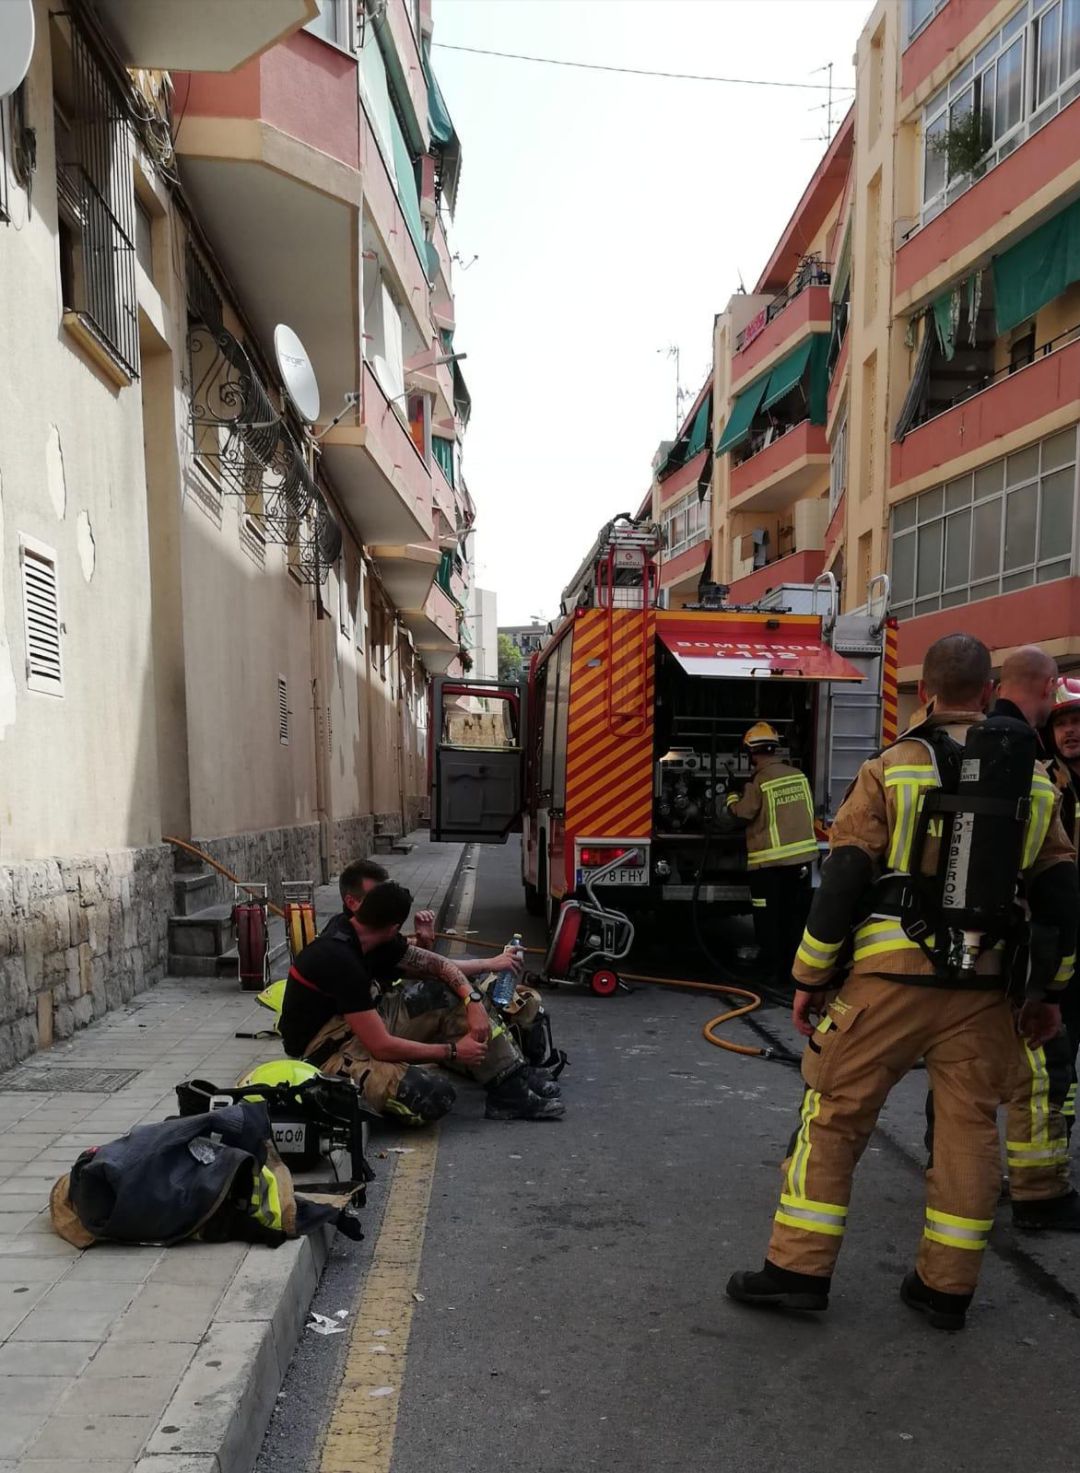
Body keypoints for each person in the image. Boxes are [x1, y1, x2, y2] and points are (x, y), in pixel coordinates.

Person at [726, 633, 1078, 1332]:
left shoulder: (893, 767)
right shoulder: (1035, 782)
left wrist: (808, 975)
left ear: (926, 695)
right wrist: (1050, 996)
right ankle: (945, 1289)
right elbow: (1064, 897)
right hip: (984, 989)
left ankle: (796, 1269)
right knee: (968, 1132)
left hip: (887, 979)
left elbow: (847, 880)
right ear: (986, 694)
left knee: (833, 1114)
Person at [280, 879, 564, 1124]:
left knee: (444, 992)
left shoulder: (361, 931)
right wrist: (452, 1052)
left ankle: (510, 1085)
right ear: (393, 927)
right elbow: (381, 1046)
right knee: (433, 1097)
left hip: (360, 1022)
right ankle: (471, 1067)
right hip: (327, 1050)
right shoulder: (340, 959)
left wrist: (473, 1000)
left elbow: (439, 967)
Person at [725, 722, 818, 986]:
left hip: (768, 866)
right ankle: (794, 972)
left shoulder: (760, 781)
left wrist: (732, 795)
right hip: (799, 862)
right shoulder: (798, 776)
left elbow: (743, 813)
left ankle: (772, 973)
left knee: (768, 921)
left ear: (751, 753)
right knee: (791, 918)